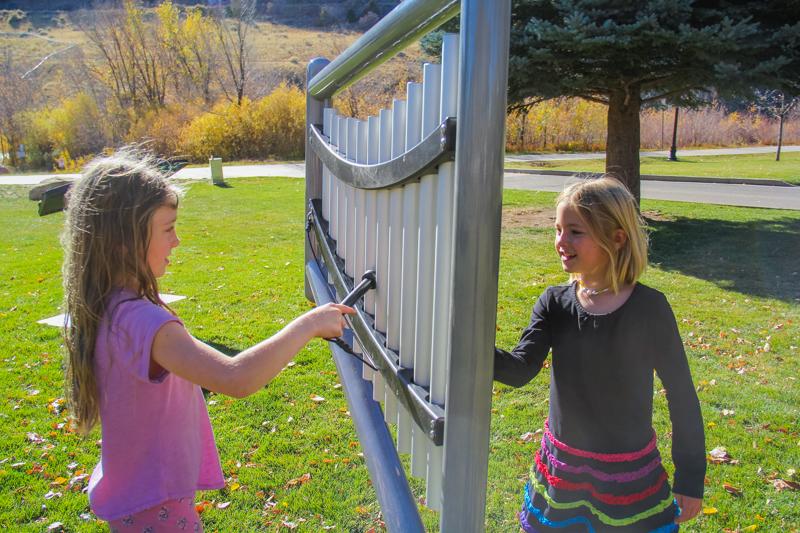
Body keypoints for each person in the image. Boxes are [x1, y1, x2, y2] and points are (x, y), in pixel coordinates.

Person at [61, 149, 354, 532]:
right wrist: (311, 323)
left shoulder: (110, 308)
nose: (177, 241)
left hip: (139, 497)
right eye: (167, 229)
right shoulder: (144, 322)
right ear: (124, 240)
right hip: (156, 505)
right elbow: (236, 377)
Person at [494, 176, 705, 532]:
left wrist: (690, 478)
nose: (561, 241)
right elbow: (520, 369)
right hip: (563, 476)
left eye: (575, 231)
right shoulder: (554, 304)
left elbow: (682, 395)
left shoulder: (650, 309)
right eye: (558, 229)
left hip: (629, 479)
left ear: (617, 238)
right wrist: (467, 346)